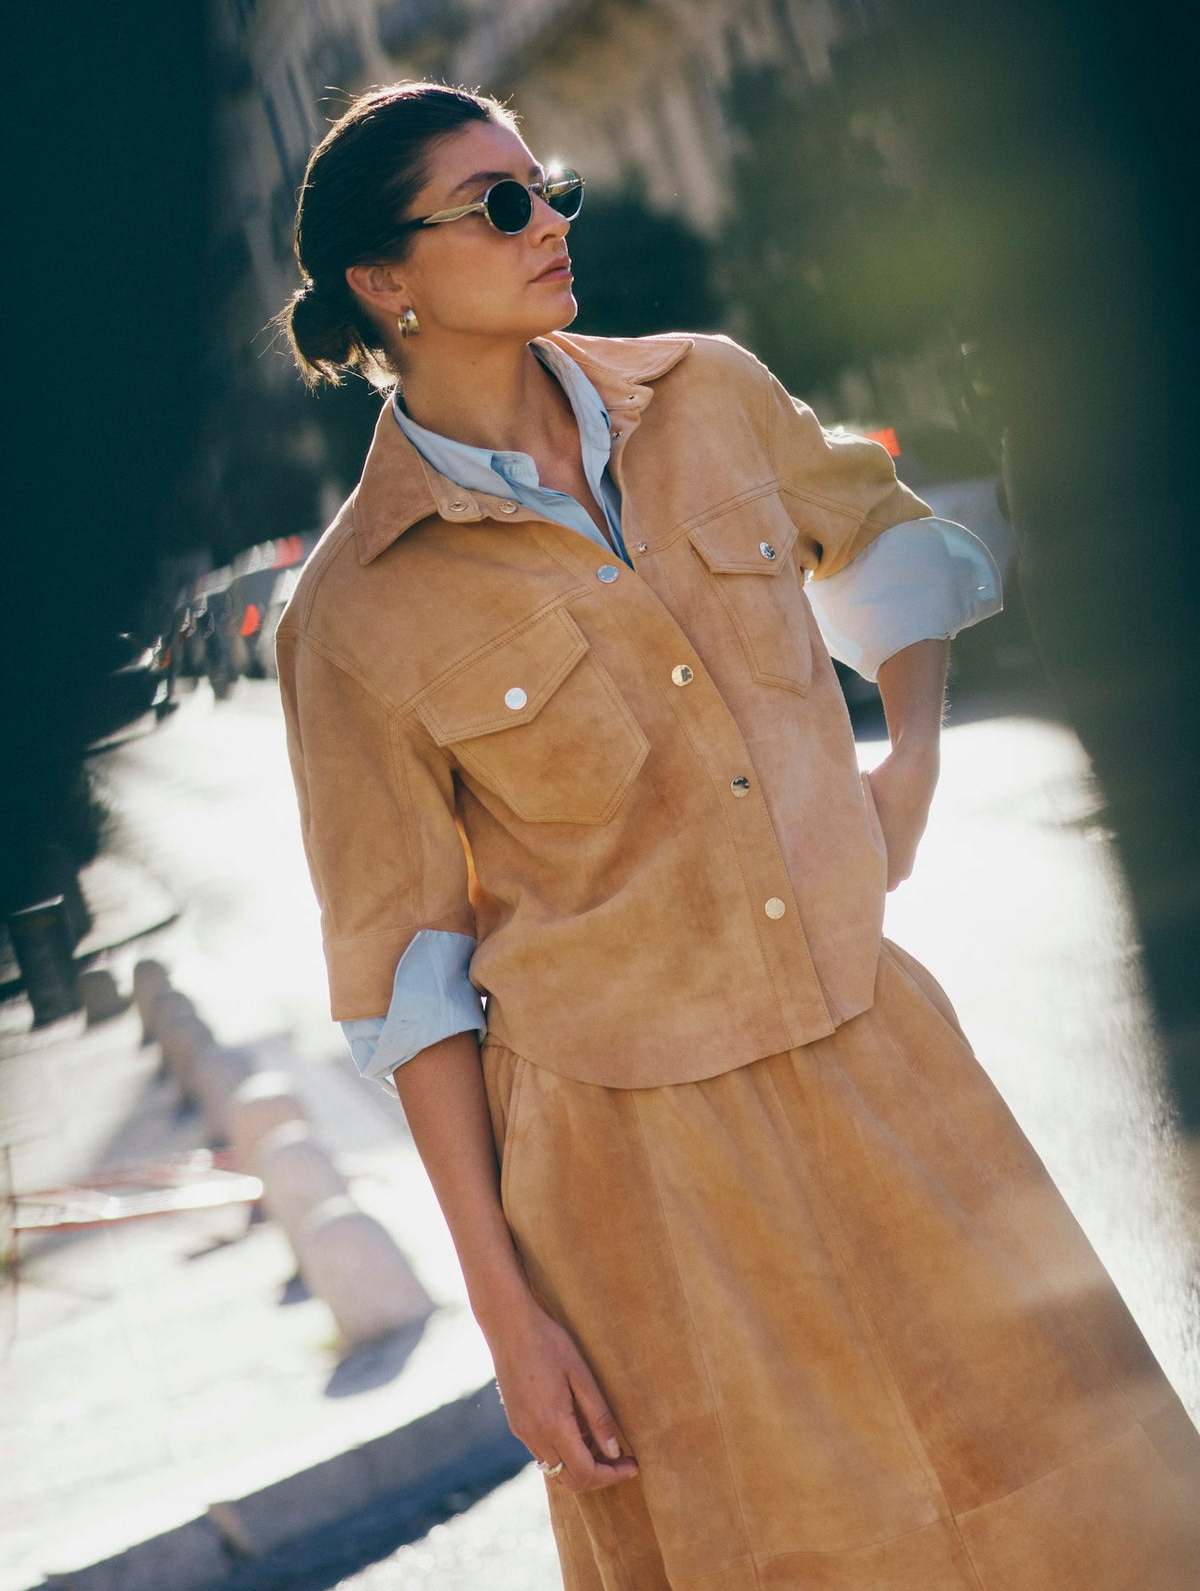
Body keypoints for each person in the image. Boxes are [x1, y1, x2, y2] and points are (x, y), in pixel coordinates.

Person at [274, 82, 1200, 1588]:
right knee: (784, 1554)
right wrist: (511, 1322)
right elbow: (408, 986)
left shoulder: (707, 391)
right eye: (498, 205)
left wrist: (907, 773)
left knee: (1083, 1499)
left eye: (545, 185)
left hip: (877, 1054)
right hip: (633, 1171)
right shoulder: (352, 615)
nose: (549, 222)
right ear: (387, 282)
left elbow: (889, 536)